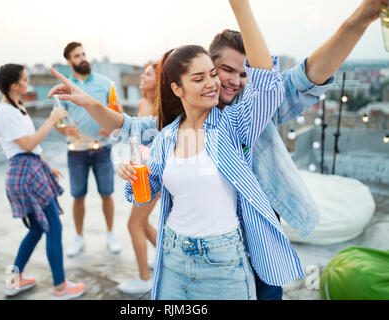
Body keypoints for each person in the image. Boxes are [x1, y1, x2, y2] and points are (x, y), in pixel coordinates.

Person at [47, 0, 386, 299]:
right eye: (223, 70)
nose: (232, 81)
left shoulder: (246, 116)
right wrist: (87, 101)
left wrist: (356, 20)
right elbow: (131, 132)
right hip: (181, 252)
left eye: (242, 73)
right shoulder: (173, 132)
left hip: (252, 246)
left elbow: (300, 78)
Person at [125, 0, 292, 299]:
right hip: (173, 255)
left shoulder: (234, 124)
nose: (212, 83)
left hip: (223, 263)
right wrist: (131, 179)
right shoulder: (166, 138)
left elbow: (267, 83)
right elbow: (146, 192)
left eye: (212, 74)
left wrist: (241, 7)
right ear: (178, 89)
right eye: (199, 78)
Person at [0, 63, 86, 300]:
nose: (28, 83)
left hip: (29, 169)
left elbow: (29, 145)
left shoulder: (17, 107)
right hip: (25, 172)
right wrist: (52, 118)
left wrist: (47, 165)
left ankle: (13, 281)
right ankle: (60, 287)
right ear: (15, 85)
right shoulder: (5, 111)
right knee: (53, 227)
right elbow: (25, 145)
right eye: (25, 80)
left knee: (36, 229)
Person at [55, 42, 121, 258]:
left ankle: (111, 234)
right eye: (77, 56)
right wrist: (65, 129)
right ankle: (79, 237)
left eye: (84, 54)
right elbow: (58, 121)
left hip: (103, 149)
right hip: (77, 151)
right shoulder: (64, 88)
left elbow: (116, 111)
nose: (83, 58)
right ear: (69, 61)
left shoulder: (105, 84)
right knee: (78, 196)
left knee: (106, 194)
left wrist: (110, 126)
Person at [117, 62, 160, 295]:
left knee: (133, 223)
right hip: (140, 173)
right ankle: (164, 260)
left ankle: (145, 278)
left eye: (148, 73)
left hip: (154, 176)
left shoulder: (161, 110)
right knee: (142, 223)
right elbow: (136, 140)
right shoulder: (144, 102)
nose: (142, 77)